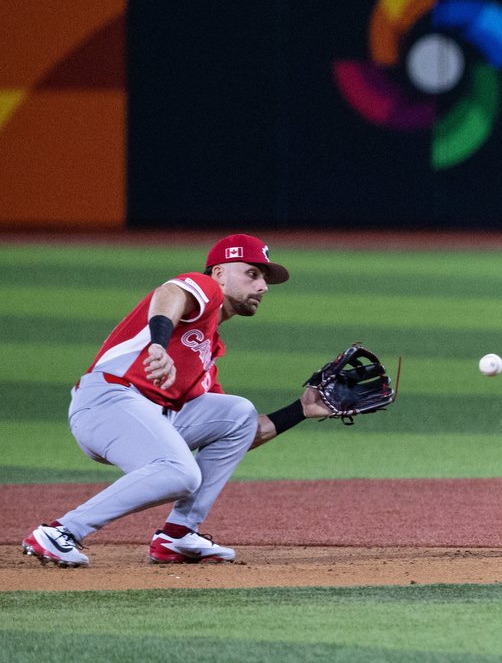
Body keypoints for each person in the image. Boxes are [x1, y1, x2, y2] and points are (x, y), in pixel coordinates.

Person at [22, 234, 334, 568]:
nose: (263, 287)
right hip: (107, 402)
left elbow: (241, 435)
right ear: (219, 273)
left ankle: (177, 535)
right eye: (252, 273)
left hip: (146, 418)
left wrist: (299, 411)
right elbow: (168, 293)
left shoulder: (206, 352)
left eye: (264, 279)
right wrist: (158, 342)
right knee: (182, 474)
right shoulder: (204, 287)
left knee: (238, 413)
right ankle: (60, 532)